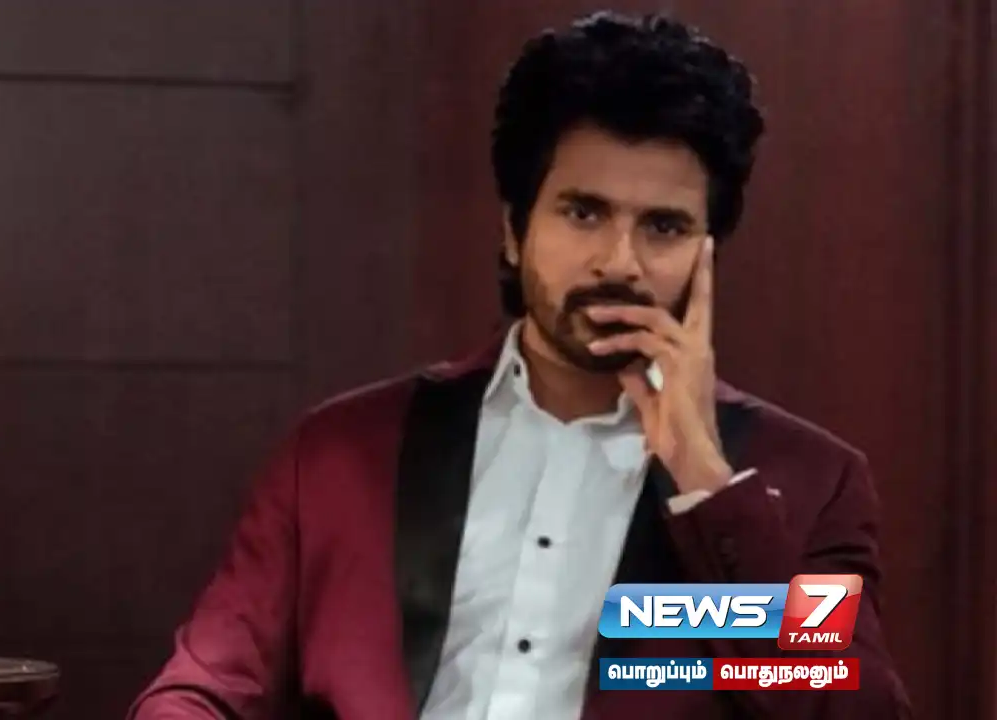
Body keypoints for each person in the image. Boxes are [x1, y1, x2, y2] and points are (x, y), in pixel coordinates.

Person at [129, 11, 912, 720]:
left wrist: (706, 483)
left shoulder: (810, 483)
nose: (620, 261)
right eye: (584, 212)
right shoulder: (341, 454)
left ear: (708, 254)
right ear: (514, 229)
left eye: (664, 227)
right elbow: (203, 689)